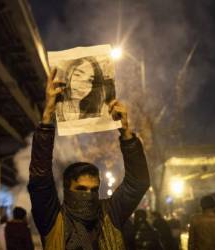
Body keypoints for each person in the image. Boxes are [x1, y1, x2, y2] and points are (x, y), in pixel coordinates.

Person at [27, 68, 150, 249]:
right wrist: (47, 116)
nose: (89, 195)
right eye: (81, 189)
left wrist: (126, 133)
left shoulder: (110, 214)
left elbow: (138, 182)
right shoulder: (53, 220)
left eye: (93, 190)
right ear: (67, 189)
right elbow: (40, 179)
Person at [56, 56, 115, 121]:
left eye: (90, 80)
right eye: (78, 75)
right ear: (68, 74)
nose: (82, 85)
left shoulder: (94, 112)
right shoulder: (56, 105)